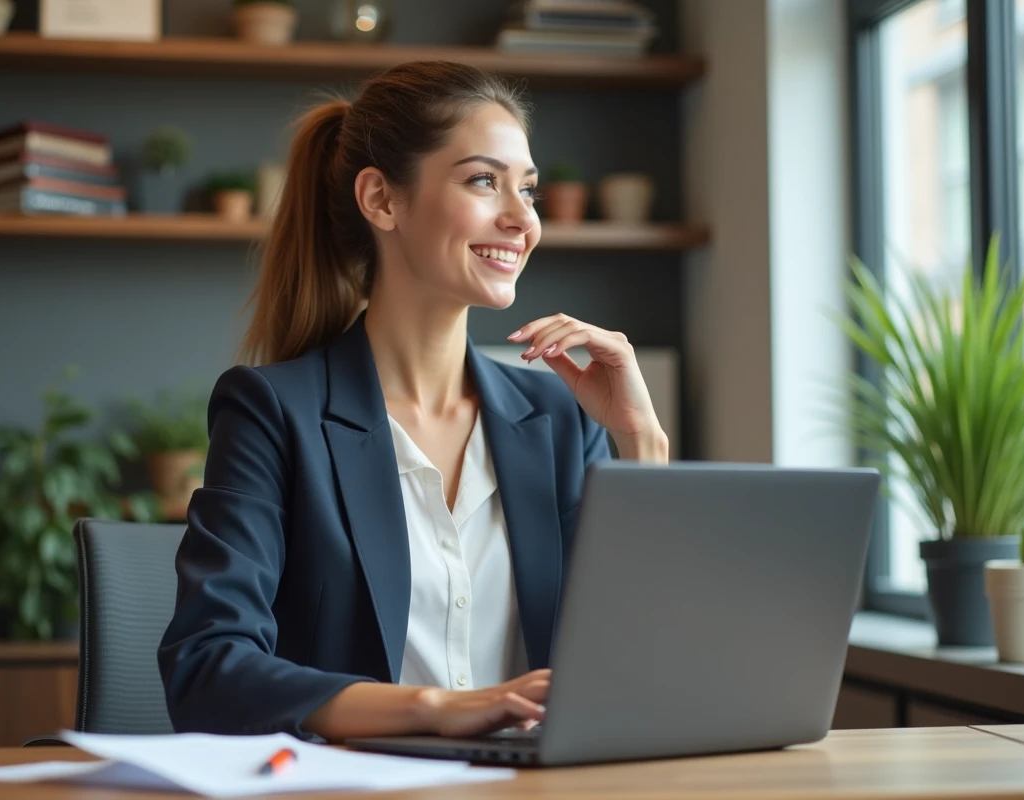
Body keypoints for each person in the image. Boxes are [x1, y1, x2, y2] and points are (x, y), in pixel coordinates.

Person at [157, 60, 668, 744]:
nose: (522, 220)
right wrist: (434, 707)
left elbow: (639, 670)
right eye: (484, 182)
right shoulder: (274, 413)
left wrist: (642, 446)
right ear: (382, 201)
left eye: (529, 190)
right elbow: (207, 669)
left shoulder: (561, 421)